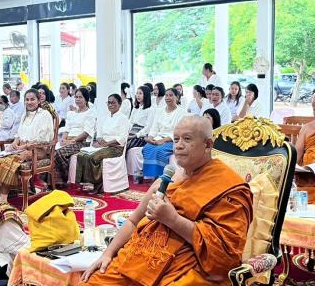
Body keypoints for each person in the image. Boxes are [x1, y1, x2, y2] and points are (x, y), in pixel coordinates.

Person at [80, 116, 253, 286]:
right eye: (176, 139)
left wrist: (173, 220)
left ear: (207, 145)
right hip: (138, 258)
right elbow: (133, 221)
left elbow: (224, 253)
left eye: (187, 139)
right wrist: (108, 254)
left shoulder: (228, 187)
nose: (178, 145)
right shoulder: (167, 180)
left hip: (184, 267)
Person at [0, 89, 54, 200]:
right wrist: (14, 143)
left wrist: (23, 146)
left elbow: (43, 139)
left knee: (9, 160)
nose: (29, 102)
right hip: (21, 148)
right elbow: (18, 134)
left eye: (32, 99)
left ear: (38, 101)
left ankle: (3, 197)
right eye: (27, 100)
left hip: (37, 151)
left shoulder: (45, 114)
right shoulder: (25, 114)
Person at [76, 94, 130, 194]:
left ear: (119, 104)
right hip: (104, 145)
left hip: (116, 148)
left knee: (93, 158)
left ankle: (98, 185)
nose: (110, 105)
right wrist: (100, 139)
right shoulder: (106, 117)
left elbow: (122, 138)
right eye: (108, 102)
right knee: (82, 155)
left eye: (113, 102)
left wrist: (106, 144)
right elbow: (100, 133)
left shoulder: (123, 118)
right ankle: (86, 183)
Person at [54, 87, 96, 185]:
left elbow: (86, 133)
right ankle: (53, 181)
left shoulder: (90, 113)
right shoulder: (71, 113)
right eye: (76, 97)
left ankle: (63, 178)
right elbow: (67, 129)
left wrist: (72, 141)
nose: (77, 99)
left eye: (80, 97)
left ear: (86, 99)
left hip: (82, 142)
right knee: (52, 151)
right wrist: (64, 139)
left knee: (59, 153)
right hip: (69, 140)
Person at [142, 88, 186, 178]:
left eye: (171, 95)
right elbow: (154, 127)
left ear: (177, 97)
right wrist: (150, 138)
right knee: (147, 148)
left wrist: (163, 140)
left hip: (172, 140)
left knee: (159, 151)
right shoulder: (159, 111)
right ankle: (151, 176)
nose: (168, 97)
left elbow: (178, 132)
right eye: (166, 95)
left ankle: (161, 177)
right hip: (158, 138)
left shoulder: (181, 112)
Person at [126, 85, 155, 150]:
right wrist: (127, 133)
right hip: (131, 132)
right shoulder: (135, 108)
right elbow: (130, 123)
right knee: (118, 143)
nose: (138, 95)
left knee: (125, 146)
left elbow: (148, 128)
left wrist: (135, 135)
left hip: (141, 135)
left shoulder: (150, 109)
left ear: (146, 95)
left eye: (140, 93)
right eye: (137, 93)